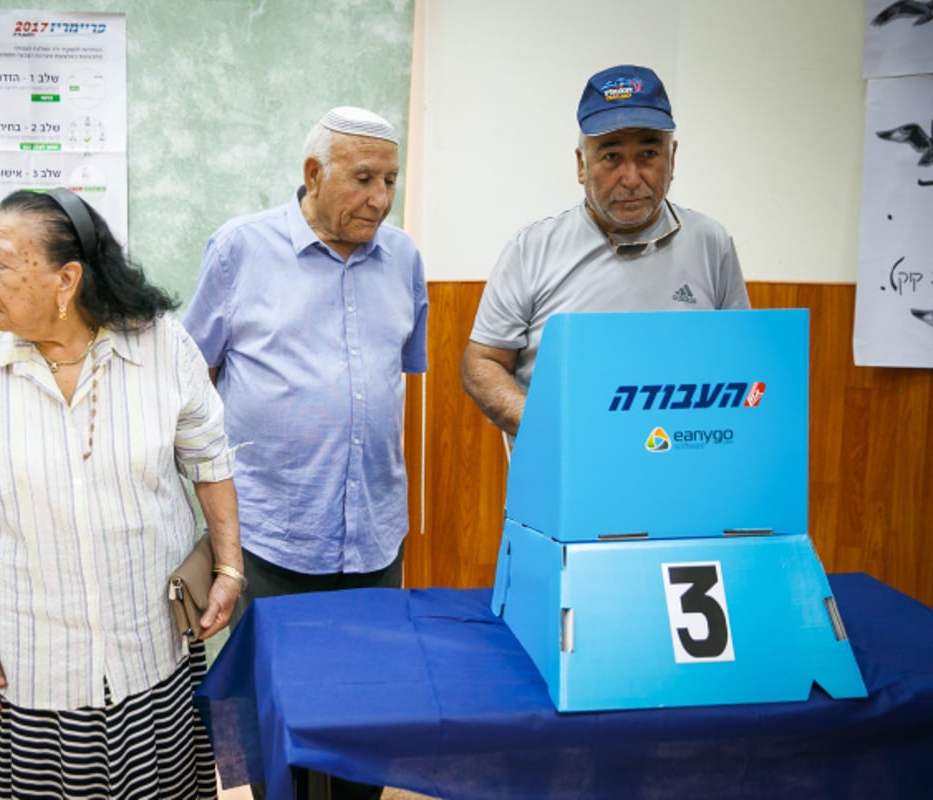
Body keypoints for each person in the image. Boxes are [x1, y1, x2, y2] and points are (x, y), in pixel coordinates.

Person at [0, 188, 244, 799]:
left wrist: (230, 567)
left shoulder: (159, 345)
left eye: (0, 260)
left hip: (148, 640)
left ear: (66, 280)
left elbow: (210, 460)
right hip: (33, 652)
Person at [182, 107, 428, 800]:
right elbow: (187, 379)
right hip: (271, 538)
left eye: (390, 179)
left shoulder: (404, 257)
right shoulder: (239, 249)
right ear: (313, 173)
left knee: (364, 721)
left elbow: (394, 378)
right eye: (362, 178)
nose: (380, 198)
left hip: (375, 539)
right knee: (277, 731)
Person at [462, 65, 751, 436]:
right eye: (611, 157)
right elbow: (482, 362)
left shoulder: (712, 243)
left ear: (672, 158)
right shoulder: (531, 248)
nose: (631, 178)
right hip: (561, 478)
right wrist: (550, 429)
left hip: (682, 474)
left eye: (648, 153)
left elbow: (739, 363)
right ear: (582, 164)